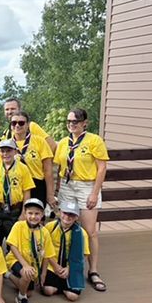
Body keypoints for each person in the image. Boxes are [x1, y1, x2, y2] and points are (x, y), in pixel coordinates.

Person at [54, 108, 109, 292]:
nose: (72, 124)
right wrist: (57, 190)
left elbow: (102, 168)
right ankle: (67, 264)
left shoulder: (94, 140)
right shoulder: (64, 142)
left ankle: (93, 270)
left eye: (75, 121)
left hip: (86, 186)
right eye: (69, 121)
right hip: (67, 185)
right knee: (66, 225)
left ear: (85, 123)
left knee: (89, 231)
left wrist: (94, 193)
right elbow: (60, 168)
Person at [0, 111, 56, 209]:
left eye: (21, 123)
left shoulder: (39, 141)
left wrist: (50, 194)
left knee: (35, 215)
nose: (17, 125)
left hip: (36, 185)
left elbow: (48, 170)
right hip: (14, 185)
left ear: (27, 125)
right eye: (14, 123)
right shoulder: (5, 145)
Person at [6, 198, 56, 303]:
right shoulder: (19, 226)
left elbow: (47, 255)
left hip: (33, 264)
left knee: (29, 291)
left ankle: (8, 275)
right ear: (25, 213)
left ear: (42, 214)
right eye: (30, 213)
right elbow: (12, 246)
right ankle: (21, 298)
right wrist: (25, 265)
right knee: (27, 275)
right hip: (15, 259)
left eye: (37, 213)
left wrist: (43, 274)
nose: (33, 217)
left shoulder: (44, 232)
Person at [0, 139, 35, 244]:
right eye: (2, 151)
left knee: (13, 241)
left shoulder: (23, 168)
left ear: (15, 151)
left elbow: (27, 191)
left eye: (8, 151)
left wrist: (23, 213)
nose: (5, 154)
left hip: (14, 211)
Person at [42, 201, 90, 301]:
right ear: (59, 212)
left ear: (76, 217)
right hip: (52, 265)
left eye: (71, 215)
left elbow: (84, 255)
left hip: (71, 266)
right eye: (65, 213)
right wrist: (55, 266)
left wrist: (69, 268)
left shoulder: (81, 233)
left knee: (72, 296)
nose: (67, 217)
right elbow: (44, 248)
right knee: (48, 290)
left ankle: (63, 286)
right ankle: (61, 284)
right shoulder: (50, 227)